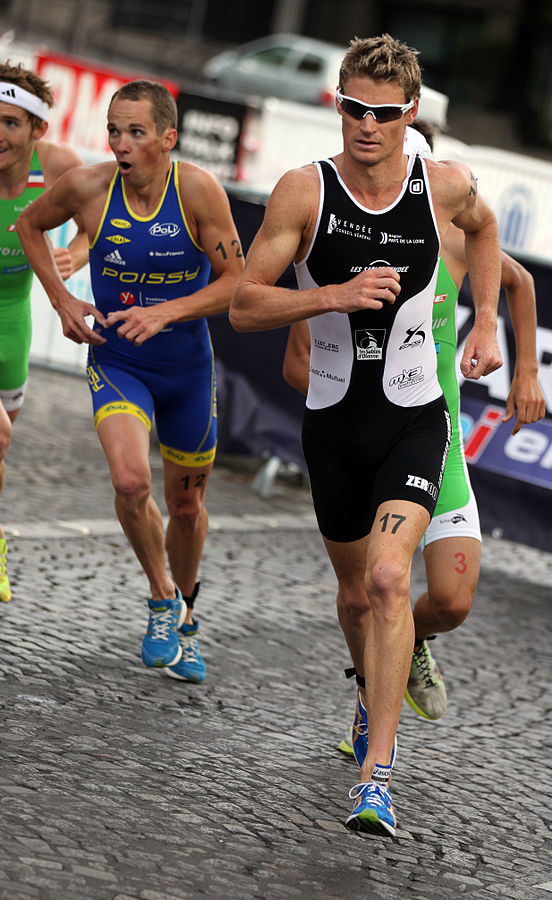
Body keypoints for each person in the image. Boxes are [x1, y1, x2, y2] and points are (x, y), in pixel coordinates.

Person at [230, 34, 502, 836]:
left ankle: (376, 776)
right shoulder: (303, 193)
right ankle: (370, 690)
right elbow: (245, 304)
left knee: (391, 580)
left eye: (384, 114)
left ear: (409, 114)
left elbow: (487, 236)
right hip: (335, 425)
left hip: (419, 419)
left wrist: (486, 322)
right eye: (353, 108)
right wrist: (331, 297)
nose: (367, 125)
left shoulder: (445, 186)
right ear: (337, 105)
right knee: (356, 593)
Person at [283, 123, 546, 745]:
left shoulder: (449, 237)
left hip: (433, 437)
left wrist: (524, 368)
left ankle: (409, 643)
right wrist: (346, 400)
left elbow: (520, 282)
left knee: (452, 602)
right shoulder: (332, 246)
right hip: (359, 440)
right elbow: (296, 363)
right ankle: (374, 694)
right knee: (369, 591)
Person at [16, 80, 244, 683]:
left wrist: (167, 312)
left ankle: (188, 617)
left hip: (187, 370)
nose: (121, 143)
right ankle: (163, 597)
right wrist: (63, 301)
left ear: (168, 138)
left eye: (136, 132)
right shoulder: (89, 188)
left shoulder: (196, 190)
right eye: (114, 131)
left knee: (187, 506)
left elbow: (236, 281)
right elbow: (29, 225)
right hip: (118, 362)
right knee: (128, 479)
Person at [0, 61, 87, 603]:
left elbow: (94, 226)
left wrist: (73, 257)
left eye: (10, 123)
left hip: (12, 325)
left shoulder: (59, 170)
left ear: (38, 131)